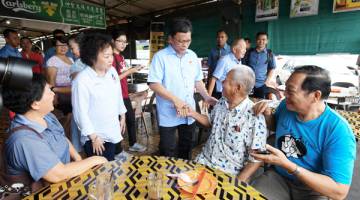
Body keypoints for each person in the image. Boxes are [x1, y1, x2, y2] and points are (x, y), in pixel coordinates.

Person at [251, 65, 356, 200]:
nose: (284, 95)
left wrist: (289, 165)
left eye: (291, 91)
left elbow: (339, 191)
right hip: (279, 177)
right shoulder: (286, 106)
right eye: (285, 89)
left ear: (315, 96)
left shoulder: (338, 131)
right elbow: (277, 127)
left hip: (313, 189)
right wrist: (267, 115)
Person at [2, 73, 107, 187]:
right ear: (35, 104)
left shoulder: (46, 116)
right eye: (49, 91)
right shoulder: (25, 140)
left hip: (62, 183)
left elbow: (61, 137)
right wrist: (96, 159)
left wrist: (77, 158)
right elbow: (58, 174)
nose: (53, 94)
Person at [148, 17, 217, 159]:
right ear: (170, 39)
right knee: (168, 149)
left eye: (188, 41)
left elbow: (197, 81)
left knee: (187, 146)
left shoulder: (192, 56)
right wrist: (175, 100)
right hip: (168, 112)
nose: (185, 44)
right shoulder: (160, 57)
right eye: (180, 41)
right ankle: (167, 177)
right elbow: (154, 83)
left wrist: (206, 96)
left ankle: (184, 177)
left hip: (189, 112)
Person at [188, 67, 267, 182]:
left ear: (237, 88)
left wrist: (237, 184)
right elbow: (210, 122)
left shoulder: (254, 117)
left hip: (229, 173)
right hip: (204, 161)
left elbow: (257, 159)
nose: (222, 82)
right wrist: (191, 113)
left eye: (226, 80)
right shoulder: (221, 102)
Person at [72, 32, 127, 161]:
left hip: (111, 130)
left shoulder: (112, 72)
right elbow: (80, 113)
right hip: (96, 137)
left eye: (111, 55)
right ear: (92, 57)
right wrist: (93, 137)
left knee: (110, 166)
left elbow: (117, 94)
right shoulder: (82, 80)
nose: (111, 60)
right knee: (100, 174)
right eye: (106, 56)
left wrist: (122, 114)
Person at [112, 30, 146, 152]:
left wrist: (132, 69)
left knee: (130, 119)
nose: (123, 44)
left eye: (125, 42)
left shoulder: (121, 57)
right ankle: (117, 149)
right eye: (120, 41)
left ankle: (133, 143)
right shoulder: (110, 57)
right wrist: (131, 71)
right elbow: (113, 79)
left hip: (124, 93)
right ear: (112, 41)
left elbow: (121, 74)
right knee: (117, 122)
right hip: (115, 95)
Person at [46, 36, 74, 117]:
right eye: (60, 46)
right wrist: (54, 96)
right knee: (66, 114)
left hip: (71, 90)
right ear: (55, 47)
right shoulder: (53, 60)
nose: (63, 48)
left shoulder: (70, 59)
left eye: (65, 45)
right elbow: (51, 80)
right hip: (60, 93)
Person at [243, 32, 276, 99]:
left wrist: (267, 81)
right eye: (259, 39)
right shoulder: (249, 52)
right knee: (248, 104)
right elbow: (243, 67)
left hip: (261, 85)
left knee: (260, 105)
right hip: (248, 84)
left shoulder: (269, 54)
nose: (261, 41)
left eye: (263, 39)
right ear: (256, 40)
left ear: (267, 41)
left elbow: (272, 68)